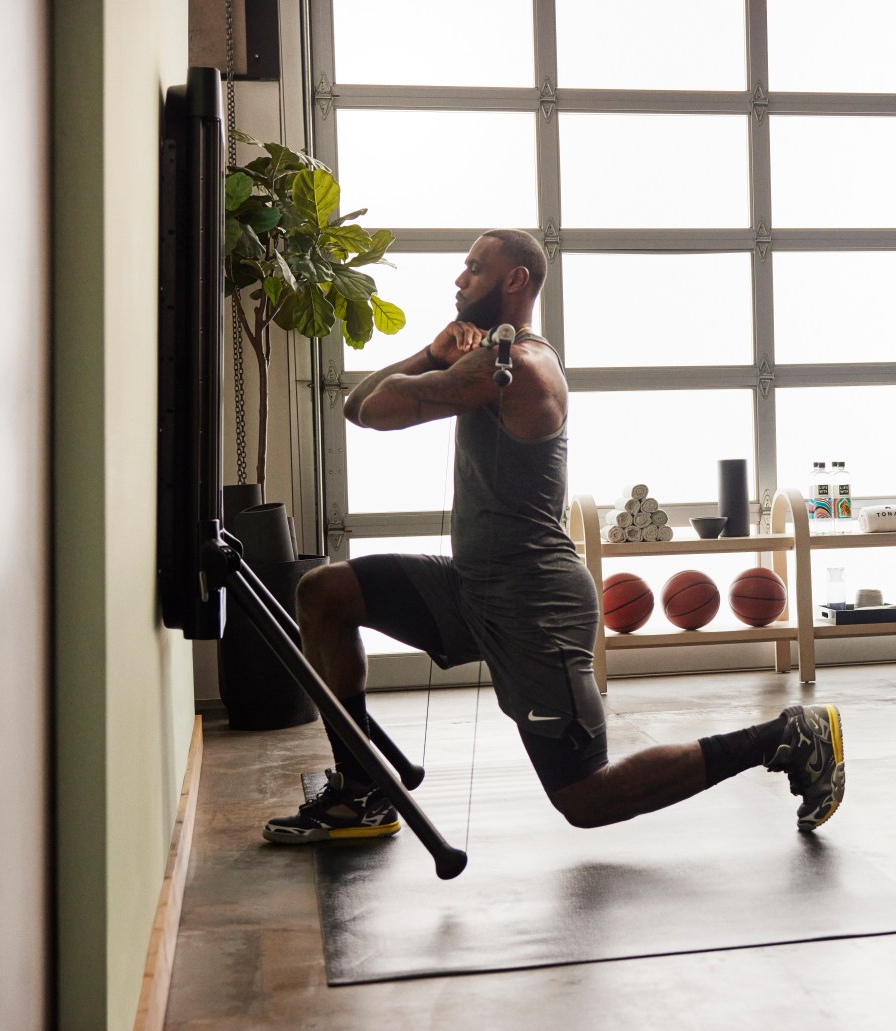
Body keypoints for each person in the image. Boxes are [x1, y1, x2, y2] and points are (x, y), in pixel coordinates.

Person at [263, 229, 844, 845]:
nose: (459, 280)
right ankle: (361, 790)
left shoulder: (519, 368)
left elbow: (376, 411)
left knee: (585, 798)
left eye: (473, 268)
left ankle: (786, 736)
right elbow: (356, 404)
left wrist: (438, 364)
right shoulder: (483, 358)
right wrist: (434, 353)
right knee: (325, 592)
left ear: (515, 280)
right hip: (470, 587)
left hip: (534, 604)